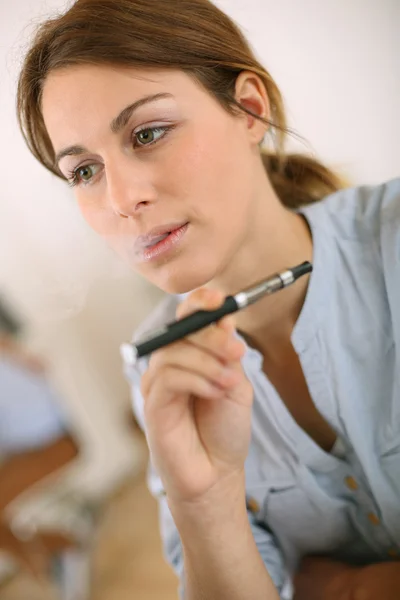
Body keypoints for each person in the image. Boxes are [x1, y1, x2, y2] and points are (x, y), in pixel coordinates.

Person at [16, 1, 399, 598]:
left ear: (249, 109)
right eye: (85, 171)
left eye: (147, 133)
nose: (121, 199)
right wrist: (205, 502)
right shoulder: (157, 365)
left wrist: (340, 589)